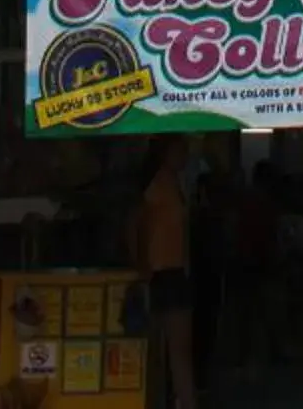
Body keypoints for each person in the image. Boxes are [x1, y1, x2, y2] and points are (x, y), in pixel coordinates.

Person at [133, 139, 196, 409]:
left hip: (173, 270)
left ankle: (180, 401)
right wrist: (143, 266)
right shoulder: (158, 185)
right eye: (180, 149)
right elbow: (137, 225)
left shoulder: (173, 184)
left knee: (174, 350)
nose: (185, 155)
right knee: (166, 350)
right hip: (160, 272)